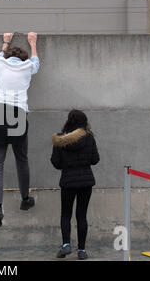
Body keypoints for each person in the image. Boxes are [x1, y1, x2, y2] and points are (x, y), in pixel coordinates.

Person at [0, 32, 40, 228]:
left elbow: (0, 53)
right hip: (18, 113)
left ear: (9, 56)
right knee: (21, 159)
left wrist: (6, 41)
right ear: (23, 58)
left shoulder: (0, 64)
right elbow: (36, 62)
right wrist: (33, 42)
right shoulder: (28, 67)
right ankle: (25, 198)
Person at [50, 109, 100, 260]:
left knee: (66, 214)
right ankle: (82, 250)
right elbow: (95, 159)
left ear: (68, 121)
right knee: (81, 215)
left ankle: (66, 245)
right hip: (86, 181)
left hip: (68, 181)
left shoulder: (60, 139)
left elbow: (56, 163)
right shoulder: (89, 138)